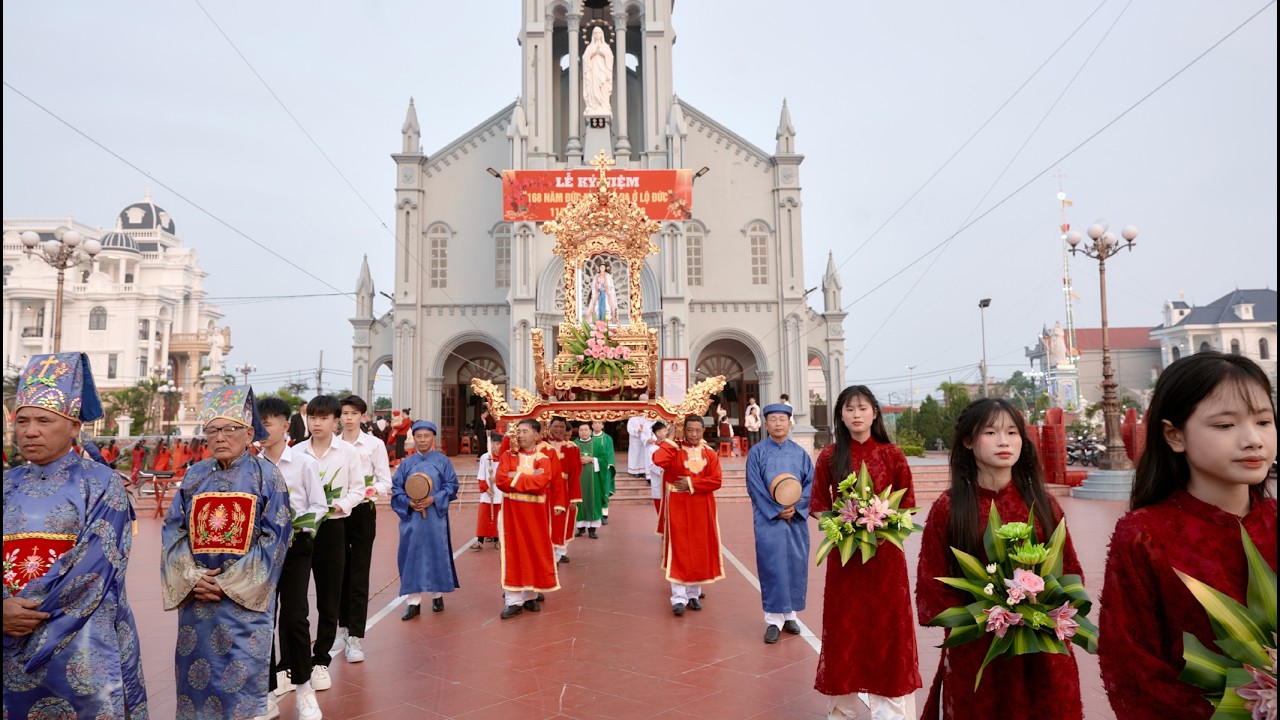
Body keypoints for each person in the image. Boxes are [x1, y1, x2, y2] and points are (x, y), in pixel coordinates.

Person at [1098, 352, 1277, 720]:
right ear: (1174, 435)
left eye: (1263, 421)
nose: (1253, 439)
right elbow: (1133, 670)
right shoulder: (1144, 535)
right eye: (1226, 425)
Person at [916, 397, 1082, 719]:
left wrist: (1038, 608)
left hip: (1041, 653)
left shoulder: (1044, 506)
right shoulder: (949, 509)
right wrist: (988, 614)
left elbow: (1071, 573)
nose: (1004, 441)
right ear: (968, 441)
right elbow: (931, 587)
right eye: (990, 433)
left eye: (1012, 432)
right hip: (977, 654)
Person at [3, 352, 147, 718]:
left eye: (43, 420)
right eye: (22, 421)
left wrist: (20, 614)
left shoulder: (102, 483)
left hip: (81, 642)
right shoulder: (7, 484)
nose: (30, 430)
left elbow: (95, 564)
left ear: (73, 426)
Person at [161, 385, 292, 720]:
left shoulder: (268, 477)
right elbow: (174, 531)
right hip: (197, 598)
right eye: (213, 430)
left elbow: (275, 536)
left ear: (249, 433)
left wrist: (229, 583)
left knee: (241, 682)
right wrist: (193, 578)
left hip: (244, 603)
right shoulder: (194, 476)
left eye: (230, 429)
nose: (220, 437)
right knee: (195, 682)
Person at [811, 385, 919, 718]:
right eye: (849, 409)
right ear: (840, 416)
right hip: (846, 562)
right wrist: (846, 527)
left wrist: (885, 524)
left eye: (862, 408)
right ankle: (842, 710)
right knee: (845, 631)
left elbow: (908, 506)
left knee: (888, 629)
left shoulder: (892, 454)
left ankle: (890, 711)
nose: (856, 415)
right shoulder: (829, 456)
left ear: (875, 413)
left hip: (886, 561)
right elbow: (818, 505)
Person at [256, 396, 327, 720]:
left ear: (285, 426)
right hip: (260, 551)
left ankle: (304, 690)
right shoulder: (251, 466)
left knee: (295, 616)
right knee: (261, 619)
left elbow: (319, 505)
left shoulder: (303, 462)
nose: (261, 429)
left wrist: (305, 528)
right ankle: (267, 693)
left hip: (296, 546)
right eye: (258, 423)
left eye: (267, 423)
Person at [293, 395, 365, 691]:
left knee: (329, 597)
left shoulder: (347, 453)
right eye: (312, 417)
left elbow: (358, 489)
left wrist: (336, 506)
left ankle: (321, 659)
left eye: (323, 418)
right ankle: (291, 663)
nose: (316, 423)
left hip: (333, 529)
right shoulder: (296, 452)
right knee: (296, 601)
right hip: (301, 533)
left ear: (336, 421)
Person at [747, 403, 813, 644]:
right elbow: (754, 486)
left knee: (795, 566)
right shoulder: (757, 453)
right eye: (773, 419)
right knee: (773, 566)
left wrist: (795, 508)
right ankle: (773, 620)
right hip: (769, 520)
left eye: (782, 419)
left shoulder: (800, 453)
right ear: (765, 424)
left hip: (795, 519)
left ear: (790, 423)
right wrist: (776, 510)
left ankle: (791, 615)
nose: (777, 423)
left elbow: (810, 484)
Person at [336, 395, 392, 662]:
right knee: (336, 572)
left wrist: (371, 490)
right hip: (335, 513)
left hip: (362, 511)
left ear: (362, 416)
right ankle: (340, 627)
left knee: (358, 572)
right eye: (344, 413)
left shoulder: (374, 445)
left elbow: (385, 481)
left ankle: (355, 636)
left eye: (353, 413)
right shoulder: (332, 444)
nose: (348, 418)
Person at [652, 416, 725, 616]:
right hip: (678, 504)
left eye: (697, 431)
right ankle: (678, 597)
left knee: (700, 547)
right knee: (680, 547)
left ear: (703, 431)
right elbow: (658, 460)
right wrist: (670, 437)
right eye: (689, 430)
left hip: (702, 505)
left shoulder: (710, 453)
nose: (693, 434)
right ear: (683, 430)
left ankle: (694, 593)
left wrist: (693, 484)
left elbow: (716, 481)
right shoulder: (673, 450)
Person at [390, 420, 460, 619]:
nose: (422, 440)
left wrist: (433, 499)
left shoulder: (443, 462)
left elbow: (451, 486)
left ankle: (437, 595)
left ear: (433, 438)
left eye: (426, 436)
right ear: (413, 438)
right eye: (418, 436)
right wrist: (409, 503)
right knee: (411, 555)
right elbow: (396, 490)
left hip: (435, 518)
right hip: (411, 518)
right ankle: (413, 601)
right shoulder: (406, 464)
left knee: (436, 553)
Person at [494, 419, 561, 619]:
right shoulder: (507, 456)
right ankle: (513, 600)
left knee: (534, 550)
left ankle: (530, 595)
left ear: (536, 435)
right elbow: (500, 481)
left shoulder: (544, 458)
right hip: (511, 514)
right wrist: (530, 475)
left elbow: (543, 482)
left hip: (535, 514)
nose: (520, 435)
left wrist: (516, 476)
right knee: (513, 552)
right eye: (518, 431)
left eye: (525, 431)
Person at [544, 417, 582, 564]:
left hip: (564, 489)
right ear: (549, 427)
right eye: (555, 426)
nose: (559, 430)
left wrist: (574, 497)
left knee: (561, 520)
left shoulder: (572, 448)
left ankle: (558, 551)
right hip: (545, 488)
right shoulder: (541, 445)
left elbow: (575, 473)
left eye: (561, 427)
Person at [470, 432, 505, 550]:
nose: (496, 446)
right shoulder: (486, 457)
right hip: (488, 492)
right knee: (484, 516)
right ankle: (480, 540)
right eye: (494, 444)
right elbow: (481, 475)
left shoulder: (505, 457)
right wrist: (485, 488)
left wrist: (497, 479)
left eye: (499, 444)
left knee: (498, 517)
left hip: (500, 492)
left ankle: (497, 539)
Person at [574, 422, 607, 538]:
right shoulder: (574, 444)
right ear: (578, 432)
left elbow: (604, 459)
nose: (583, 432)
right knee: (579, 501)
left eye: (585, 430)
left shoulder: (597, 444)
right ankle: (580, 528)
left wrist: (592, 459)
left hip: (594, 480)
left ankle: (592, 530)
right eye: (581, 430)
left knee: (593, 500)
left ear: (590, 431)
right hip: (578, 479)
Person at [582, 26, 614, 116]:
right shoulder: (590, 47)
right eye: (595, 33)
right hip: (593, 70)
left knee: (603, 86)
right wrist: (592, 53)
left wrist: (602, 53)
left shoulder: (606, 46)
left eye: (599, 33)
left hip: (602, 70)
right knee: (593, 86)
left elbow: (610, 57)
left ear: (602, 34)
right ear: (593, 35)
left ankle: (603, 104)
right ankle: (594, 105)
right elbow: (585, 58)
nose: (597, 35)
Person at [592, 420, 617, 524]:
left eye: (599, 423)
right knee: (594, 491)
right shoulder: (588, 438)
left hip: (604, 469)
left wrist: (607, 465)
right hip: (591, 468)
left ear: (602, 425)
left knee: (604, 491)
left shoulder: (607, 438)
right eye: (595, 423)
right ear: (592, 425)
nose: (597, 425)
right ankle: (594, 513)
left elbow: (610, 452)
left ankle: (604, 514)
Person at [626, 398, 654, 477]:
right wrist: (637, 430)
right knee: (636, 455)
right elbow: (629, 429)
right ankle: (635, 471)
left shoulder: (648, 418)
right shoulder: (632, 419)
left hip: (646, 441)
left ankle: (645, 471)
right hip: (635, 441)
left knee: (645, 455)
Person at [646, 421, 669, 515]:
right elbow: (652, 466)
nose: (667, 433)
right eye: (665, 431)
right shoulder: (652, 449)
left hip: (670, 484)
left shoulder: (669, 446)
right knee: (661, 513)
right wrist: (666, 471)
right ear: (658, 433)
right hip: (659, 483)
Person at [588, 260, 619, 325]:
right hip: (598, 294)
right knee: (597, 308)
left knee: (607, 307)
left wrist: (605, 286)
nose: (602, 269)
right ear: (599, 268)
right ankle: (598, 321)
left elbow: (611, 286)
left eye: (603, 267)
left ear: (605, 268)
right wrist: (598, 286)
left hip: (606, 294)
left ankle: (607, 322)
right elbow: (593, 287)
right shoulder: (596, 276)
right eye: (601, 267)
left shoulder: (608, 276)